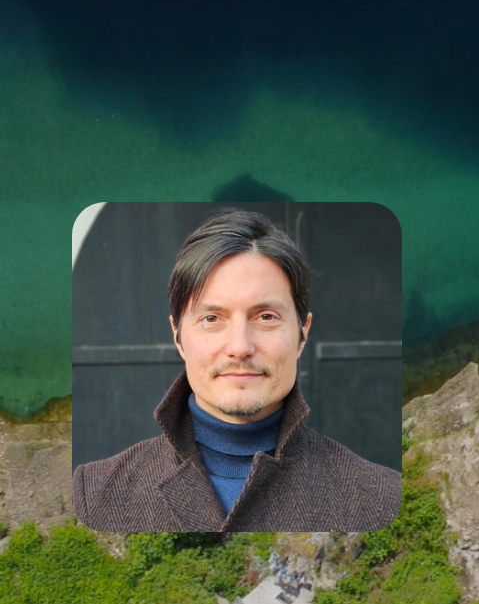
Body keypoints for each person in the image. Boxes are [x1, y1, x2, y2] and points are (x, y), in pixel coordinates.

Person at [72, 209, 401, 531]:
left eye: (266, 317)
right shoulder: (93, 495)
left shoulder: (380, 497)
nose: (240, 346)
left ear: (303, 333)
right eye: (211, 319)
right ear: (178, 336)